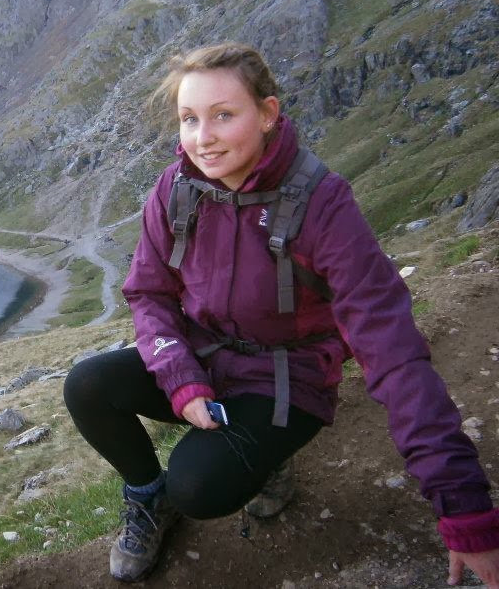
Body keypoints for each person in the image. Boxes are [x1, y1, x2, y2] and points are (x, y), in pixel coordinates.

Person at [63, 42, 499, 585]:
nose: (203, 138)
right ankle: (148, 497)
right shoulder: (175, 190)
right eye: (189, 119)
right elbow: (149, 293)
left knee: (197, 486)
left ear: (268, 114)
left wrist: (463, 506)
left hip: (285, 380)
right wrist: (181, 378)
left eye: (224, 115)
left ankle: (267, 462)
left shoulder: (323, 205)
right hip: (203, 358)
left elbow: (395, 356)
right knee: (87, 384)